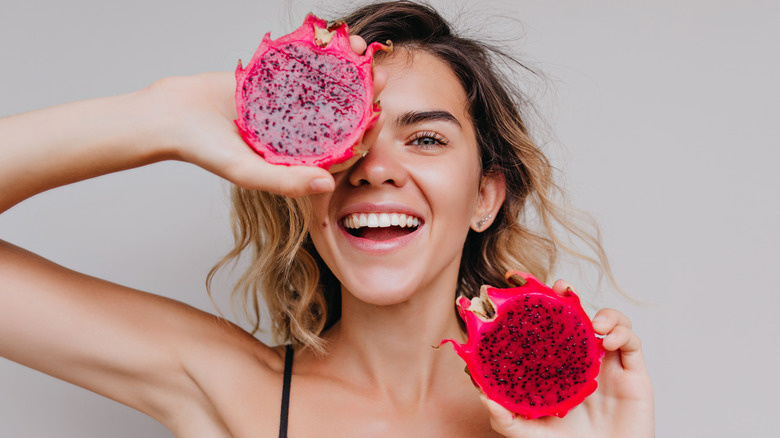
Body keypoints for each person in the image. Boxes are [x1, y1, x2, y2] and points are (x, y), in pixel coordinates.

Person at [0, 1, 654, 437]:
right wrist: (160, 117)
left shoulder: (566, 418)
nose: (375, 169)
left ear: (486, 197)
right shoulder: (234, 392)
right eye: (348, 142)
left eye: (424, 139)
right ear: (300, 188)